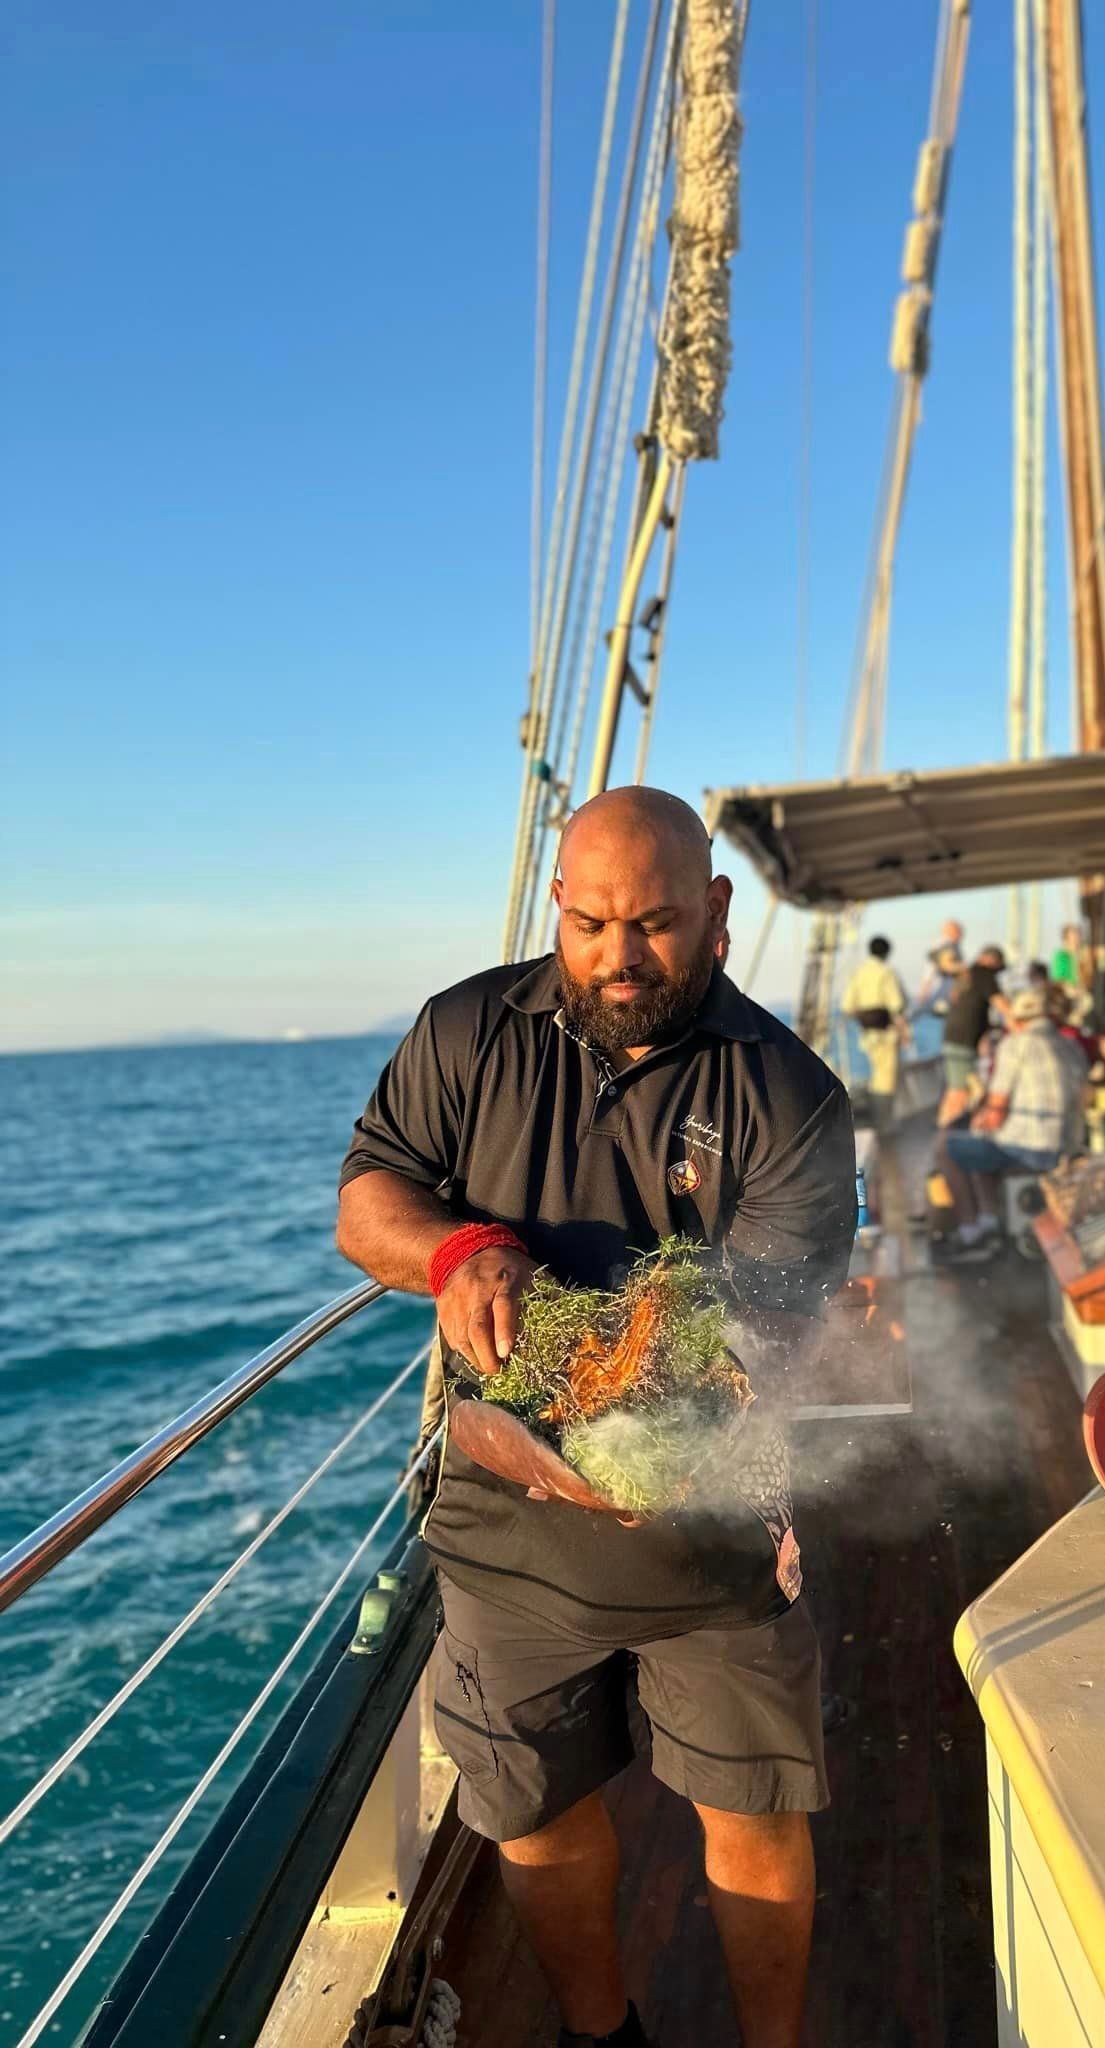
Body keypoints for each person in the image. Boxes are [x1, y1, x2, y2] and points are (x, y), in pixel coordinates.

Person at [336, 787, 856, 2048]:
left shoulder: (789, 1093)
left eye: (657, 924)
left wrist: (615, 1426)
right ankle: (599, 2031)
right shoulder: (465, 1029)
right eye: (592, 923)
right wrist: (462, 1248)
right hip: (506, 1537)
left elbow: (764, 1330)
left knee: (753, 1814)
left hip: (711, 1541)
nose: (619, 958)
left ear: (719, 914)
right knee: (527, 1807)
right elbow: (367, 1203)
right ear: (556, 906)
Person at [937, 986, 1088, 1248]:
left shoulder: (1015, 1045)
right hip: (1068, 1149)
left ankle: (970, 1231)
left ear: (1017, 1020)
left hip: (1030, 1151)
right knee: (980, 1144)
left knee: (945, 1148)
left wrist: (979, 1121)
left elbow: (995, 1114)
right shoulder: (1072, 1047)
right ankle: (989, 1221)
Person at [840, 935, 908, 1130]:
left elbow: (848, 1005)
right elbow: (896, 1005)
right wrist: (904, 1032)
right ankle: (884, 1124)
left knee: (878, 1074)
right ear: (886, 952)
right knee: (885, 1079)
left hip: (868, 1034)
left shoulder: (858, 972)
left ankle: (879, 1120)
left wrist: (864, 1020)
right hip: (886, 1033)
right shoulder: (886, 972)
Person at [936, 944, 1006, 1126]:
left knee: (957, 1089)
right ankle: (946, 1138)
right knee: (960, 1092)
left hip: (953, 1038)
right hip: (963, 1042)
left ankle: (944, 1134)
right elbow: (1003, 1006)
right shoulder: (984, 973)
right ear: (993, 961)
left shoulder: (968, 973)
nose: (997, 975)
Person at [913, 918, 965, 1016]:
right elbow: (930, 971)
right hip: (939, 994)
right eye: (959, 932)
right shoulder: (944, 945)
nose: (961, 935)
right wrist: (923, 993)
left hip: (947, 994)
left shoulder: (953, 946)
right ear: (951, 932)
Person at [1050, 922, 1084, 989]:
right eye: (1074, 936)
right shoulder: (1061, 956)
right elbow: (1059, 980)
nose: (1078, 939)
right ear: (1066, 939)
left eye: (1079, 935)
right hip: (1067, 993)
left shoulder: (1083, 956)